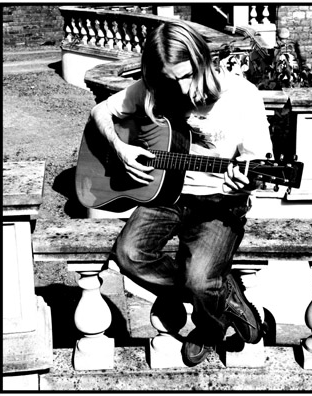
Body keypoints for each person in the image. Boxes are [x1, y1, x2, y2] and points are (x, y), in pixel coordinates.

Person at [90, 20, 273, 367]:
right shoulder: (156, 88)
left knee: (201, 278)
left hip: (219, 202)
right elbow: (101, 111)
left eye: (188, 75)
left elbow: (258, 162)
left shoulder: (243, 95)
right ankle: (219, 292)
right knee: (129, 256)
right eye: (171, 80)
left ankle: (208, 325)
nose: (183, 89)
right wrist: (120, 148)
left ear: (203, 59)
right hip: (165, 195)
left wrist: (245, 181)